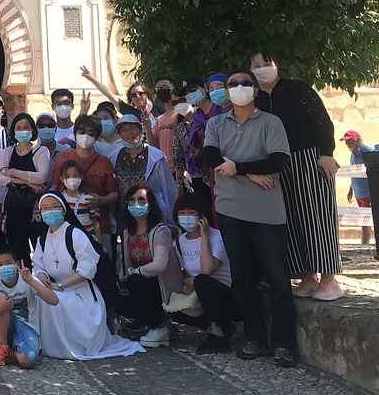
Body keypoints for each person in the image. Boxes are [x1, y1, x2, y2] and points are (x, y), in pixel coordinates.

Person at [203, 69, 296, 367]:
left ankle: (283, 343)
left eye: (245, 83)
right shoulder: (216, 123)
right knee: (242, 278)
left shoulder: (271, 122)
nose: (239, 87)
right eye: (233, 84)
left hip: (267, 213)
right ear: (226, 92)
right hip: (231, 210)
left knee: (278, 278)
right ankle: (255, 338)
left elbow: (278, 160)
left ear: (255, 90)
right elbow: (210, 158)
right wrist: (252, 172)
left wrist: (241, 168)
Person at [251, 48, 343, 301]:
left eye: (265, 63)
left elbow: (322, 121)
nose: (261, 69)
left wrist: (326, 152)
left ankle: (329, 279)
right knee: (290, 219)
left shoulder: (297, 88)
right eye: (255, 65)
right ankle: (307, 276)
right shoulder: (256, 100)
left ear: (276, 64)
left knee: (317, 218)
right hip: (279, 164)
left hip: (309, 159)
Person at [31, 192, 144, 360]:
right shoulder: (42, 240)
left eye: (54, 207)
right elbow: (38, 266)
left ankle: (71, 344)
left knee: (52, 298)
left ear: (63, 210)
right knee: (37, 290)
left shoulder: (76, 235)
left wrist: (60, 286)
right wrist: (42, 277)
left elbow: (87, 270)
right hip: (57, 289)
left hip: (81, 295)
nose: (50, 211)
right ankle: (49, 342)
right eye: (45, 208)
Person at [116, 184, 182, 348]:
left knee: (136, 281)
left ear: (151, 204)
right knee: (116, 296)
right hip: (139, 285)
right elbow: (125, 265)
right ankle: (145, 320)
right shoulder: (127, 233)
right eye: (131, 200)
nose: (136, 204)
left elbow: (159, 265)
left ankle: (158, 326)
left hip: (161, 286)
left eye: (141, 200)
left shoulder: (160, 231)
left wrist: (134, 273)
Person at [172, 192, 236, 354]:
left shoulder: (217, 237)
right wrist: (189, 282)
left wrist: (205, 236)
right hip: (199, 295)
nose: (186, 217)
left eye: (191, 213)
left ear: (201, 215)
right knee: (173, 309)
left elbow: (208, 269)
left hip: (225, 294)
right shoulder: (180, 242)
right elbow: (185, 275)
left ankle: (218, 333)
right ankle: (219, 325)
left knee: (203, 280)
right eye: (182, 213)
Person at [0, 243, 59, 367]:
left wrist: (31, 282)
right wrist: (0, 309)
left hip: (27, 328)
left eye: (9, 262)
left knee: (26, 360)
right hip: (2, 329)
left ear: (16, 264)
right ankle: (2, 347)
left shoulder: (27, 279)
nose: (5, 267)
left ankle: (11, 353)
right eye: (0, 265)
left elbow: (54, 300)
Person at [52, 115, 118, 251]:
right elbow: (54, 187)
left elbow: (114, 193)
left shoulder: (104, 162)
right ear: (75, 133)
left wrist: (101, 200)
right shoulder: (64, 158)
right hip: (66, 225)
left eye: (91, 133)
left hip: (99, 226)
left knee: (101, 264)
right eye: (81, 131)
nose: (85, 135)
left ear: (97, 137)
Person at [0, 113, 51, 264]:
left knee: (42, 253)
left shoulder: (41, 152)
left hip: (36, 213)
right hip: (14, 212)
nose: (22, 131)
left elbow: (42, 177)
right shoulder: (6, 153)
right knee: (19, 256)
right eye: (18, 128)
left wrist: (12, 173)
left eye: (26, 128)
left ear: (33, 130)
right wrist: (28, 182)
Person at [107, 114, 177, 226]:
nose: (129, 133)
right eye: (124, 130)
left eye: (133, 128)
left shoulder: (156, 157)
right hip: (124, 216)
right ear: (119, 134)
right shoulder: (113, 157)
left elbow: (169, 190)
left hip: (152, 214)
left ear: (140, 131)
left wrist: (172, 221)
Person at [342, 130, 374, 245]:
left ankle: (366, 244)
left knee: (369, 219)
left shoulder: (368, 152)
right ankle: (365, 244)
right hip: (359, 193)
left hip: (369, 193)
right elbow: (354, 173)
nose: (347, 144)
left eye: (350, 141)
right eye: (346, 142)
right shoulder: (353, 155)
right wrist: (351, 190)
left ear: (358, 139)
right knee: (364, 220)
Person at [59, 161, 99, 239]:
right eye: (67, 176)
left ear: (81, 177)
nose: (72, 179)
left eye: (75, 176)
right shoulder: (59, 199)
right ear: (61, 178)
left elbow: (96, 223)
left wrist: (100, 243)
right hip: (66, 240)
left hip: (87, 239)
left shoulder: (89, 199)